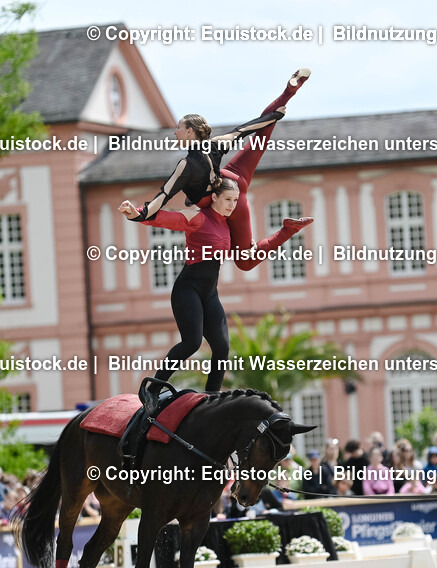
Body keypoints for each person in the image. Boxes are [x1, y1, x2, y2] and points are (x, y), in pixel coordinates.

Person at [122, 180, 312, 393]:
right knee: (192, 342)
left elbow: (254, 252)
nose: (232, 205)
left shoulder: (227, 227)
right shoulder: (198, 217)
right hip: (188, 290)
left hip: (210, 294)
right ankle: (152, 390)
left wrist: (288, 231)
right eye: (227, 199)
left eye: (235, 200)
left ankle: (211, 396)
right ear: (214, 197)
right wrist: (136, 213)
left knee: (222, 348)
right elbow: (166, 218)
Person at [129, 69, 311, 254]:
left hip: (230, 195)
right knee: (259, 140)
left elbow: (163, 195)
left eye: (179, 128)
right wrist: (274, 117)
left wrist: (140, 214)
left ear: (190, 131)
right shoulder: (215, 144)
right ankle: (289, 91)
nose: (175, 132)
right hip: (232, 175)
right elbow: (244, 129)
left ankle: (289, 229)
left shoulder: (187, 165)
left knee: (245, 261)